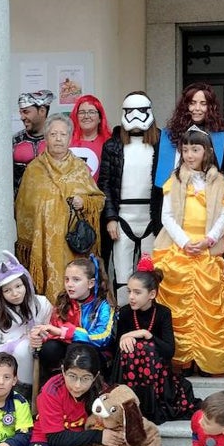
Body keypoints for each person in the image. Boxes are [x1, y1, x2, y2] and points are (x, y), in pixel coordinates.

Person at [152, 127, 224, 376]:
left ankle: (208, 359)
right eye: (186, 149)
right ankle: (181, 359)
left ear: (207, 151)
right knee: (177, 302)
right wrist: (184, 242)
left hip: (207, 247)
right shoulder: (175, 180)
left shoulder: (219, 181)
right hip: (180, 247)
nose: (190, 154)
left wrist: (210, 239)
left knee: (210, 300)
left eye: (196, 149)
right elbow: (166, 216)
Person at [15, 113, 105, 303]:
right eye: (53, 134)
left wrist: (84, 202)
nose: (58, 139)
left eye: (63, 135)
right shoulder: (34, 170)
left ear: (70, 138)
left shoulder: (80, 168)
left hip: (71, 245)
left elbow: (99, 200)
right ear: (46, 137)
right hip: (43, 244)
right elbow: (23, 208)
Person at [98, 91, 163, 305]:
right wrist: (110, 218)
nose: (135, 116)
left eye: (141, 111)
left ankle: (150, 322)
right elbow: (105, 184)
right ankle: (124, 323)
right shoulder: (113, 145)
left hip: (151, 218)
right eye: (130, 111)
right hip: (122, 217)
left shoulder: (162, 143)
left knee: (152, 277)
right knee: (122, 276)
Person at [114, 259, 196, 424]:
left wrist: (146, 334)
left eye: (137, 292)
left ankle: (150, 406)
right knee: (134, 347)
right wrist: (125, 337)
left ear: (151, 294)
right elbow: (117, 345)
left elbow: (169, 351)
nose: (131, 297)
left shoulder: (163, 313)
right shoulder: (125, 312)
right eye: (129, 291)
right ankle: (131, 404)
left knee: (146, 347)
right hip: (130, 371)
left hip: (156, 373)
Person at [0, 250, 53, 398]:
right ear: (0, 294)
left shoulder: (41, 304)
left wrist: (37, 338)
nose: (15, 293)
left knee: (23, 348)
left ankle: (23, 396)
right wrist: (13, 344)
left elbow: (51, 331)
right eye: (7, 290)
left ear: (26, 283)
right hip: (3, 360)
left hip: (37, 359)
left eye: (18, 286)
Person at [32, 255, 115, 377]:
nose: (69, 284)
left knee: (76, 348)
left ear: (90, 283)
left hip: (94, 353)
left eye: (76, 280)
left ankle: (84, 387)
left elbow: (103, 337)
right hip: (69, 349)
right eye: (67, 279)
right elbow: (54, 330)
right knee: (49, 349)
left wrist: (69, 333)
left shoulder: (103, 305)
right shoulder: (63, 301)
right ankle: (57, 384)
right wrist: (41, 336)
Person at [155, 82, 224, 187]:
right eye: (192, 103)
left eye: (203, 103)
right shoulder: (169, 136)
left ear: (211, 107)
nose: (197, 108)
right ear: (185, 106)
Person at [13, 89, 53, 194]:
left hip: (50, 204)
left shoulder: (58, 139)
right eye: (21, 112)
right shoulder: (15, 142)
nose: (22, 117)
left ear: (42, 111)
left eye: (26, 112)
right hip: (20, 206)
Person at [69, 94, 109, 180]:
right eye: (82, 112)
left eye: (91, 112)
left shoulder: (109, 144)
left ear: (100, 118)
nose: (86, 116)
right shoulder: (66, 141)